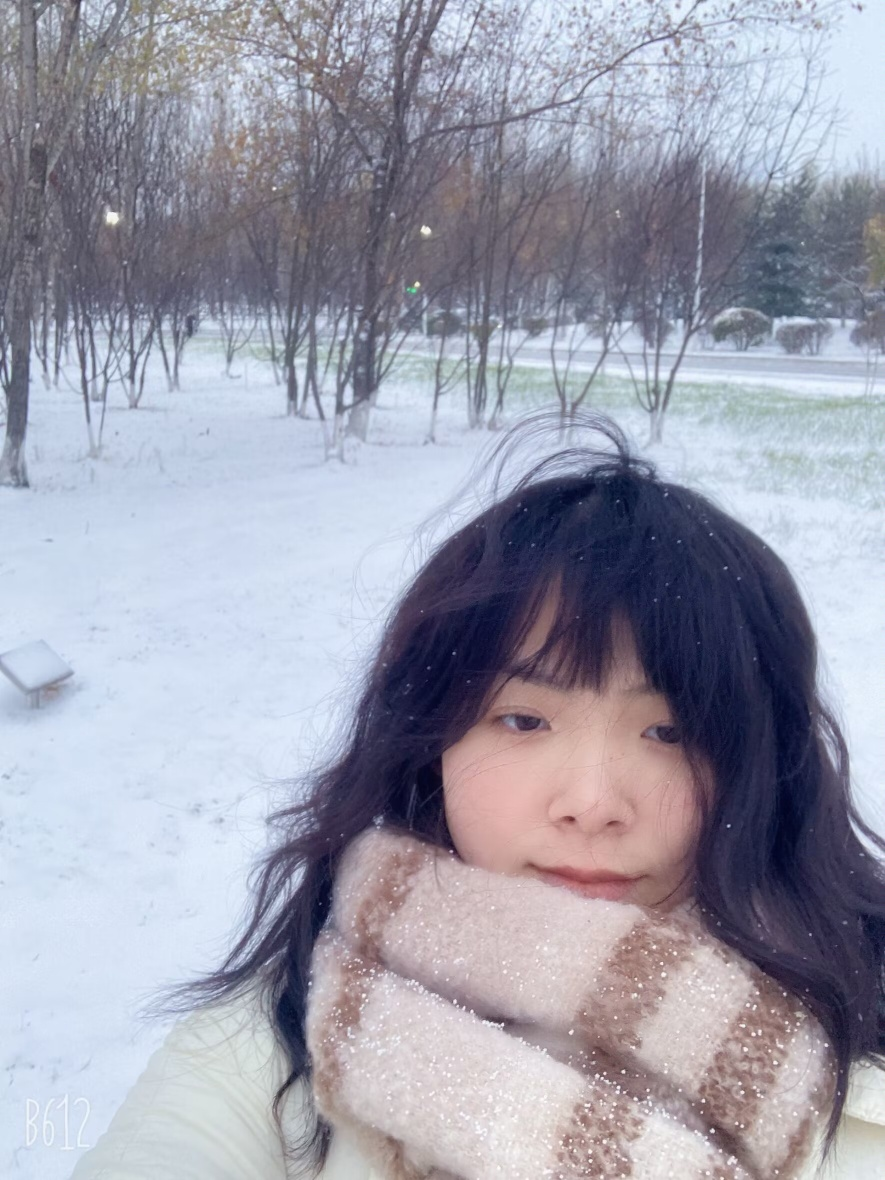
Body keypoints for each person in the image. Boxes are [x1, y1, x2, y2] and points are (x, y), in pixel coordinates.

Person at [69, 416, 885, 1180]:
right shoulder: (282, 1038)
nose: (591, 802)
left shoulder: (855, 1024)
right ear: (430, 741)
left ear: (762, 759)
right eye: (523, 720)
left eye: (668, 732)